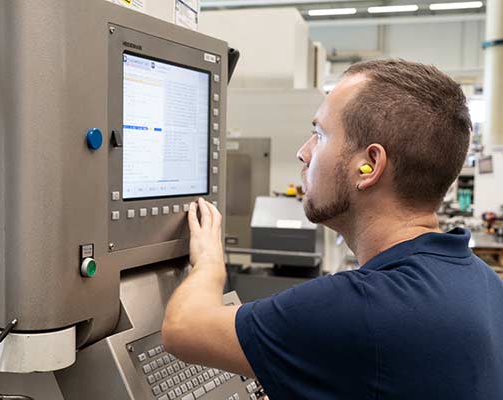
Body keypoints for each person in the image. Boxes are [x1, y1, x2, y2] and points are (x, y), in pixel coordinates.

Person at [161, 59, 503, 399]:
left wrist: (208, 262)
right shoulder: (483, 282)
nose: (302, 153)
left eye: (319, 135)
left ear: (369, 166)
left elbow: (182, 328)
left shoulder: (359, 307)